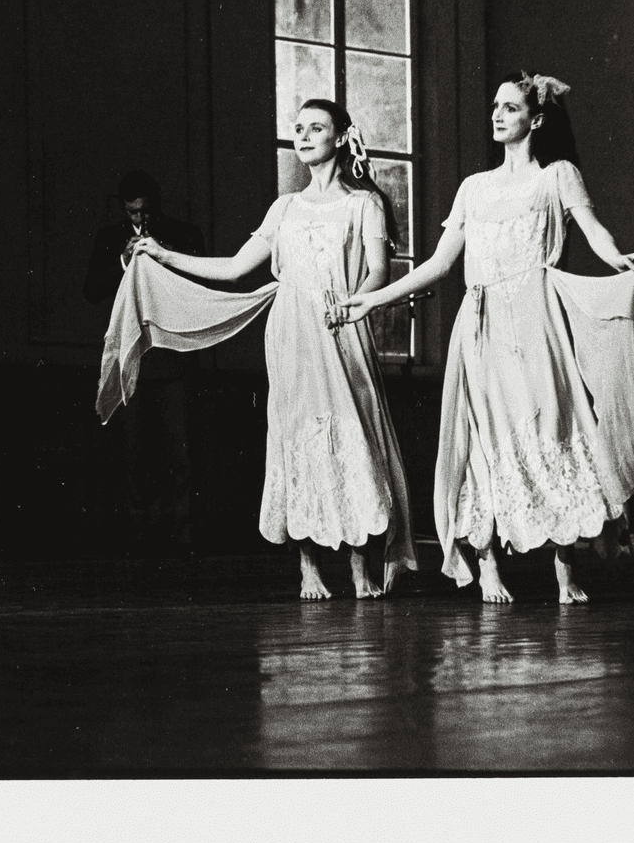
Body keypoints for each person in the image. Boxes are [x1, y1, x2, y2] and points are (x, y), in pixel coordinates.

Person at [338, 71, 634, 604]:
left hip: (536, 318)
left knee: (554, 427)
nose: (497, 115)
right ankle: (488, 563)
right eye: (494, 106)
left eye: (510, 108)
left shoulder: (557, 176)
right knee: (487, 441)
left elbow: (593, 230)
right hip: (483, 324)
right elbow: (440, 263)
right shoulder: (475, 187)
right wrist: (374, 298)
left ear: (535, 119)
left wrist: (618, 258)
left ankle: (565, 569)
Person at [98, 100, 417, 598]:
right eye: (299, 129)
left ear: (340, 137)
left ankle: (359, 565)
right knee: (296, 439)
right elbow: (232, 268)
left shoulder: (363, 203)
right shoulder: (284, 207)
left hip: (341, 325)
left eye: (317, 128)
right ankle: (308, 565)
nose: (305, 136)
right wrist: (161, 253)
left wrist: (358, 303)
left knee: (353, 437)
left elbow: (378, 271)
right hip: (292, 330)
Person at [85, 170, 205, 551]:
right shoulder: (109, 238)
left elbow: (199, 289)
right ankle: (138, 535)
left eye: (146, 212)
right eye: (133, 213)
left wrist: (162, 256)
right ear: (124, 208)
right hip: (131, 361)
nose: (140, 220)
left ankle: (182, 532)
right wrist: (123, 262)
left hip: (173, 360)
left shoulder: (185, 235)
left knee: (179, 451)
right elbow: (91, 291)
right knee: (133, 453)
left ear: (158, 206)